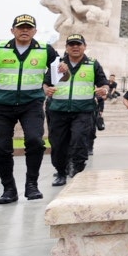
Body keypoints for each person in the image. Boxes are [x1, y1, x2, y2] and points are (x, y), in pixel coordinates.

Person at [0, 15, 59, 203]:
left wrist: (57, 75)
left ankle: (32, 185)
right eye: (20, 27)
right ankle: (9, 188)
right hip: (1, 105)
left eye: (28, 27)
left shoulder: (45, 50)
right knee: (0, 149)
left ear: (34, 31)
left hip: (31, 104)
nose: (24, 30)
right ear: (12, 30)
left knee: (35, 141)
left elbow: (59, 70)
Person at [46, 34, 109, 186]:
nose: (75, 47)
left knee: (79, 140)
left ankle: (78, 169)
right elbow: (46, 83)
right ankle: (61, 172)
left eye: (78, 44)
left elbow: (104, 83)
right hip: (58, 110)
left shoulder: (92, 64)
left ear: (84, 46)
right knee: (58, 144)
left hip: (83, 110)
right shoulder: (57, 64)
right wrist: (46, 90)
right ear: (66, 48)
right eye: (71, 44)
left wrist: (104, 90)